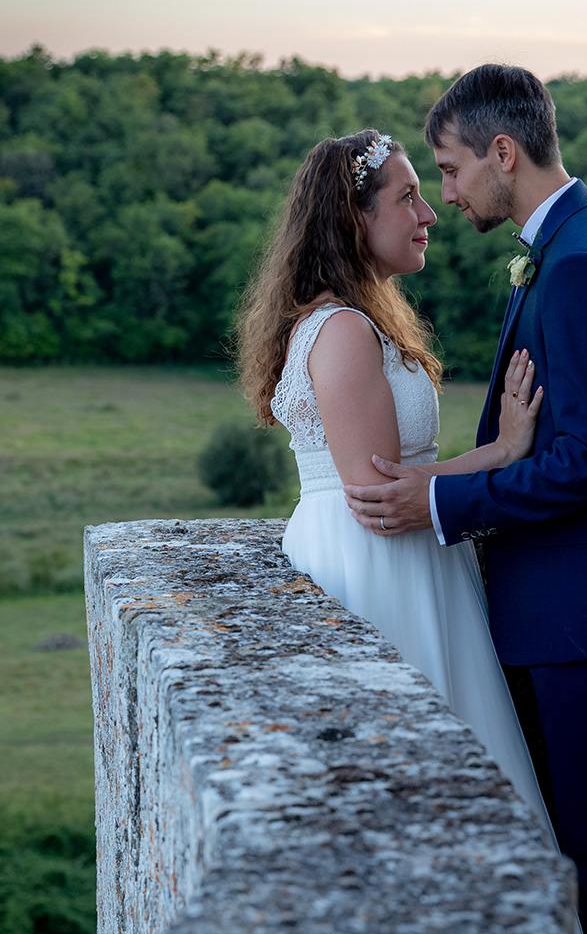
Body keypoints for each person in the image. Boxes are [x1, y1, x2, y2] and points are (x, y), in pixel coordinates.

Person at [343, 66, 587, 934]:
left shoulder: (577, 264)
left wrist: (440, 508)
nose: (447, 193)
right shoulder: (570, 240)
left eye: (452, 168)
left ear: (503, 152)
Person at [235, 128, 559, 851]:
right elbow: (381, 495)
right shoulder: (344, 330)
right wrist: (502, 451)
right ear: (355, 219)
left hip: (411, 560)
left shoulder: (359, 317)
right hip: (380, 566)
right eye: (407, 197)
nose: (429, 214)